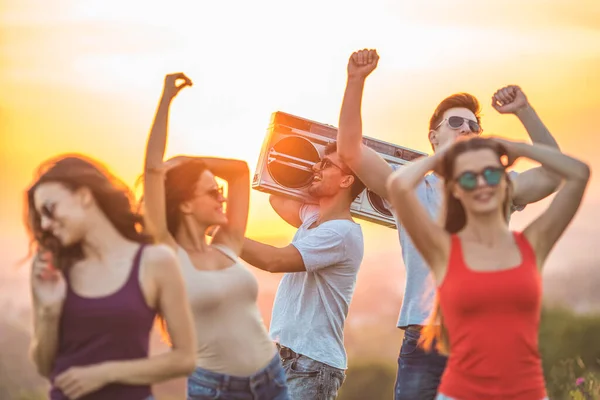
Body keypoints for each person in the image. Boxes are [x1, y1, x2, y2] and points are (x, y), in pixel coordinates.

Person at [336, 48, 563, 400]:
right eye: (455, 123)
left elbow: (554, 174)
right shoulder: (414, 187)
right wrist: (355, 82)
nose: (466, 129)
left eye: (473, 126)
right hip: (424, 338)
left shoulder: (496, 187)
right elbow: (350, 151)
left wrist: (524, 111)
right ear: (433, 137)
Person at [385, 136, 590, 400]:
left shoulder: (531, 244)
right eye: (468, 178)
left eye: (491, 174)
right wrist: (443, 158)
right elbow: (398, 186)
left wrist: (518, 148)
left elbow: (579, 174)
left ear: (506, 183)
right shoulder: (444, 250)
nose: (482, 183)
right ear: (456, 189)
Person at [142, 72, 289, 400]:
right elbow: (153, 169)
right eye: (211, 192)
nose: (222, 197)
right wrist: (166, 100)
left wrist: (188, 164)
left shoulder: (226, 245)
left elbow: (238, 171)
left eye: (219, 191)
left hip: (271, 378)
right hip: (217, 390)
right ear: (186, 205)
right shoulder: (167, 254)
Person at [26, 154, 197, 400]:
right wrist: (49, 312)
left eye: (49, 210)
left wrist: (104, 373)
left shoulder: (155, 261)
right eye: (39, 217)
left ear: (84, 196)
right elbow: (44, 366)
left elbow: (185, 359)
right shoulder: (53, 268)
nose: (44, 225)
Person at [240, 142, 366, 399]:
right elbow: (277, 195)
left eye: (327, 164)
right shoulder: (313, 219)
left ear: (346, 181)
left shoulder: (341, 233)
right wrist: (314, 174)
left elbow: (274, 261)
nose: (315, 166)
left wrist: (222, 233)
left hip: (311, 365)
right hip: (286, 359)